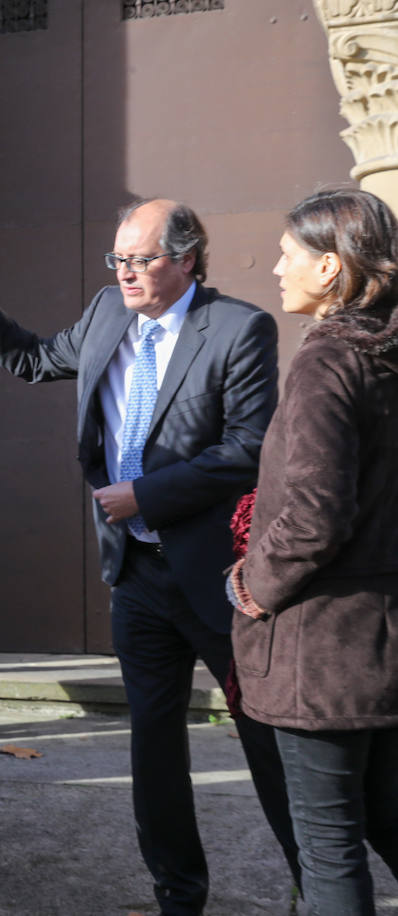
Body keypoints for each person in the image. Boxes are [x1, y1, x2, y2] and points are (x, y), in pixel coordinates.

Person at [0, 197, 300, 913]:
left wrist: (146, 495)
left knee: (265, 735)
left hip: (217, 575)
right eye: (117, 259)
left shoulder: (239, 329)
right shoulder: (105, 313)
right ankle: (178, 892)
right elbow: (34, 359)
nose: (124, 272)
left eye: (140, 259)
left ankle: (318, 882)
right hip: (138, 575)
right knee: (153, 745)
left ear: (186, 259)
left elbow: (247, 451)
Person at [230, 188, 398, 915]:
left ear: (330, 267)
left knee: (329, 850)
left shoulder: (329, 359)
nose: (276, 268)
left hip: (322, 654)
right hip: (381, 642)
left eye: (289, 254)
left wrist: (253, 586)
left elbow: (314, 515)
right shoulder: (385, 351)